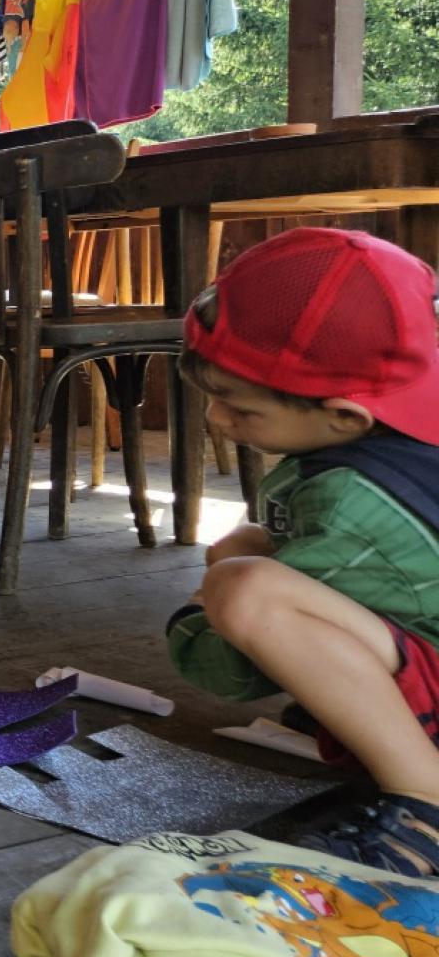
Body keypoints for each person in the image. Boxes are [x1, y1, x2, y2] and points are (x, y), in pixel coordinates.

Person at [165, 228, 439, 877]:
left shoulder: (352, 501)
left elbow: (232, 672)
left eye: (239, 408)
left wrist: (201, 607)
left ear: (345, 416)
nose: (218, 421)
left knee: (246, 589)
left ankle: (425, 800)